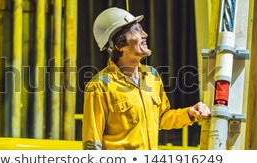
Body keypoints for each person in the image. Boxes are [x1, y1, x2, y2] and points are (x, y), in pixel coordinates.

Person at [82, 7, 211, 150]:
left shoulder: (151, 75)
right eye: (135, 30)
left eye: (141, 28)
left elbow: (161, 118)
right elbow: (92, 143)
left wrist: (190, 113)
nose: (144, 34)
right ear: (119, 44)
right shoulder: (100, 86)